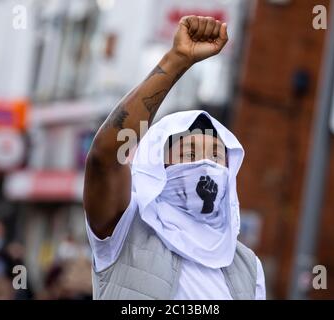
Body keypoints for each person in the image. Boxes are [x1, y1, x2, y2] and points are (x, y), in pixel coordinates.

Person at [84, 15, 265, 300]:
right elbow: (105, 157)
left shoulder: (247, 267)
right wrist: (177, 60)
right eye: (190, 154)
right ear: (159, 167)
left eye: (216, 156)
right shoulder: (125, 230)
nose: (205, 165)